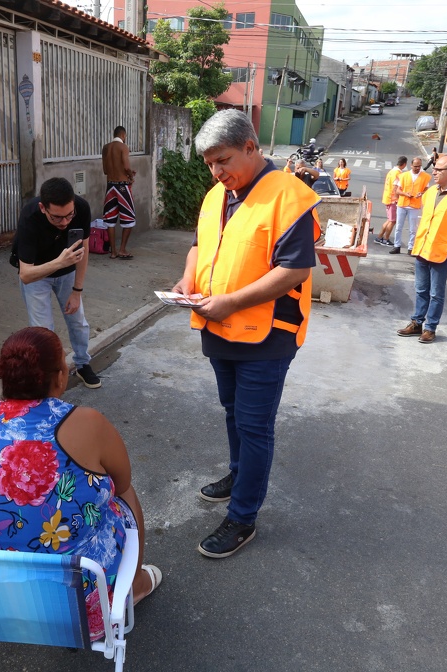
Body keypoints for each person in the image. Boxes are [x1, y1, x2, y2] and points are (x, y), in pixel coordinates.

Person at [0, 327, 161, 639]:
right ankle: (131, 588)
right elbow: (122, 481)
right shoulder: (89, 422)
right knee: (122, 492)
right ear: (60, 376)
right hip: (77, 609)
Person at [171, 109, 318, 558]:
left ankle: (243, 517)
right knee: (233, 412)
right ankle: (239, 473)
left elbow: (294, 270)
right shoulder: (217, 194)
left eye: (225, 160)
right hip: (219, 327)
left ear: (251, 147)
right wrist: (186, 282)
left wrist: (232, 301)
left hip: (267, 334)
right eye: (210, 164)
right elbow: (201, 244)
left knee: (254, 425)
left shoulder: (289, 196)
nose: (217, 172)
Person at [13, 177, 100, 388]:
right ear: (43, 208)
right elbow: (25, 274)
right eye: (57, 218)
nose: (65, 222)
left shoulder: (81, 208)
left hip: (68, 273)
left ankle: (82, 364)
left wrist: (77, 291)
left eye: (69, 215)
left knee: (78, 321)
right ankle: (50, 375)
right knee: (43, 331)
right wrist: (58, 262)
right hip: (37, 275)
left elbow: (84, 249)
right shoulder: (29, 216)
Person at [396, 154, 447, 344]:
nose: (434, 172)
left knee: (436, 293)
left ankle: (430, 328)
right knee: (420, 289)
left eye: (439, 169)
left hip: (443, 252)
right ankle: (416, 323)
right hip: (423, 249)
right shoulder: (431, 191)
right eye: (434, 168)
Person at [102, 125, 137, 260]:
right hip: (122, 186)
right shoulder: (123, 147)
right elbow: (127, 167)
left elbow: (105, 170)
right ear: (123, 135)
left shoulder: (106, 148)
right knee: (129, 217)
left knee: (110, 219)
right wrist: (131, 175)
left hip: (110, 186)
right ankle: (122, 249)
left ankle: (113, 252)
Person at [390, 157, 431, 255]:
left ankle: (411, 248)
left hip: (414, 206)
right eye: (416, 166)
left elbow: (427, 189)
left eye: (419, 166)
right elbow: (398, 190)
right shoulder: (404, 176)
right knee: (398, 227)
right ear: (411, 165)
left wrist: (422, 193)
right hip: (402, 204)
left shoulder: (425, 177)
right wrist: (405, 194)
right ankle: (397, 246)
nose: (418, 168)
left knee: (413, 229)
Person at [375, 155, 406, 246]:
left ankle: (379, 237)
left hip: (387, 197)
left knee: (389, 220)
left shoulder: (391, 171)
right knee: (392, 221)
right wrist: (396, 199)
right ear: (404, 164)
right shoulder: (398, 173)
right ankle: (386, 239)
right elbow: (395, 187)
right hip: (392, 199)